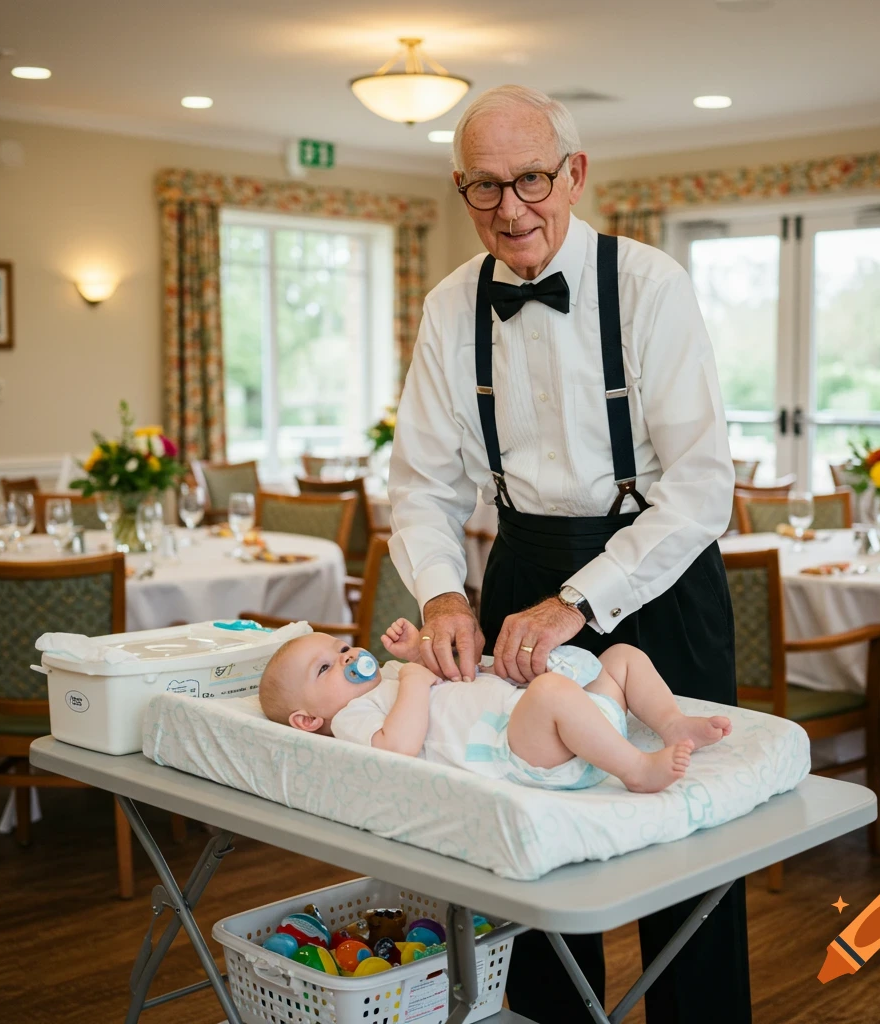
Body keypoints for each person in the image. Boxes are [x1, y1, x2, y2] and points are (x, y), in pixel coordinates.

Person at [386, 84, 749, 1024]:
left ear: (575, 173)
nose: (511, 209)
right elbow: (422, 488)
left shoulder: (651, 286)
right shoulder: (446, 306)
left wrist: (581, 602)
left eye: (532, 180)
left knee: (687, 843)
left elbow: (702, 489)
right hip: (515, 573)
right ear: (460, 189)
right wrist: (441, 599)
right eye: (484, 187)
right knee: (534, 828)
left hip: (655, 576)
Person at [258, 624, 731, 792]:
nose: (345, 659)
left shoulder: (394, 676)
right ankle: (635, 768)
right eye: (324, 669)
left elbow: (451, 676)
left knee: (623, 658)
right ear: (307, 720)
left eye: (341, 648)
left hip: (566, 722)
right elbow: (398, 745)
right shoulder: (350, 720)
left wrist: (414, 658)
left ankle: (671, 723)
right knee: (550, 692)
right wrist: (416, 682)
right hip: (525, 749)